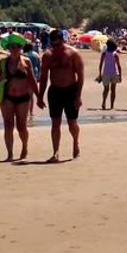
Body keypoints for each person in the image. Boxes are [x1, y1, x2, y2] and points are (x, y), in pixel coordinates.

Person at [37, 29, 85, 162]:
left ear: (63, 41)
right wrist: (40, 97)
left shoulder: (73, 54)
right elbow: (44, 77)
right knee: (55, 123)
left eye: (58, 44)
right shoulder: (48, 56)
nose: (56, 47)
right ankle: (55, 152)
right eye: (53, 45)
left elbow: (80, 76)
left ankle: (75, 141)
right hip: (55, 91)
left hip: (71, 91)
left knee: (72, 123)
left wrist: (78, 96)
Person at [0, 37, 37, 161]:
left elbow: (32, 79)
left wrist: (38, 96)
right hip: (7, 97)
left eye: (17, 47)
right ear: (8, 48)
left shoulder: (26, 61)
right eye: (12, 47)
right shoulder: (3, 62)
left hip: (23, 98)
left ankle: (24, 146)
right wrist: (2, 77)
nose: (15, 49)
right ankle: (10, 154)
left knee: (21, 126)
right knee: (8, 125)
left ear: (21, 48)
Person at [97, 38, 122, 110]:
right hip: (114, 73)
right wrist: (120, 75)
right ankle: (112, 106)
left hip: (106, 73)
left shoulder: (104, 53)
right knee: (113, 90)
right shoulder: (115, 54)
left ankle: (104, 102)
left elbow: (101, 64)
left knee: (106, 89)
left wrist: (100, 73)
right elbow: (119, 66)